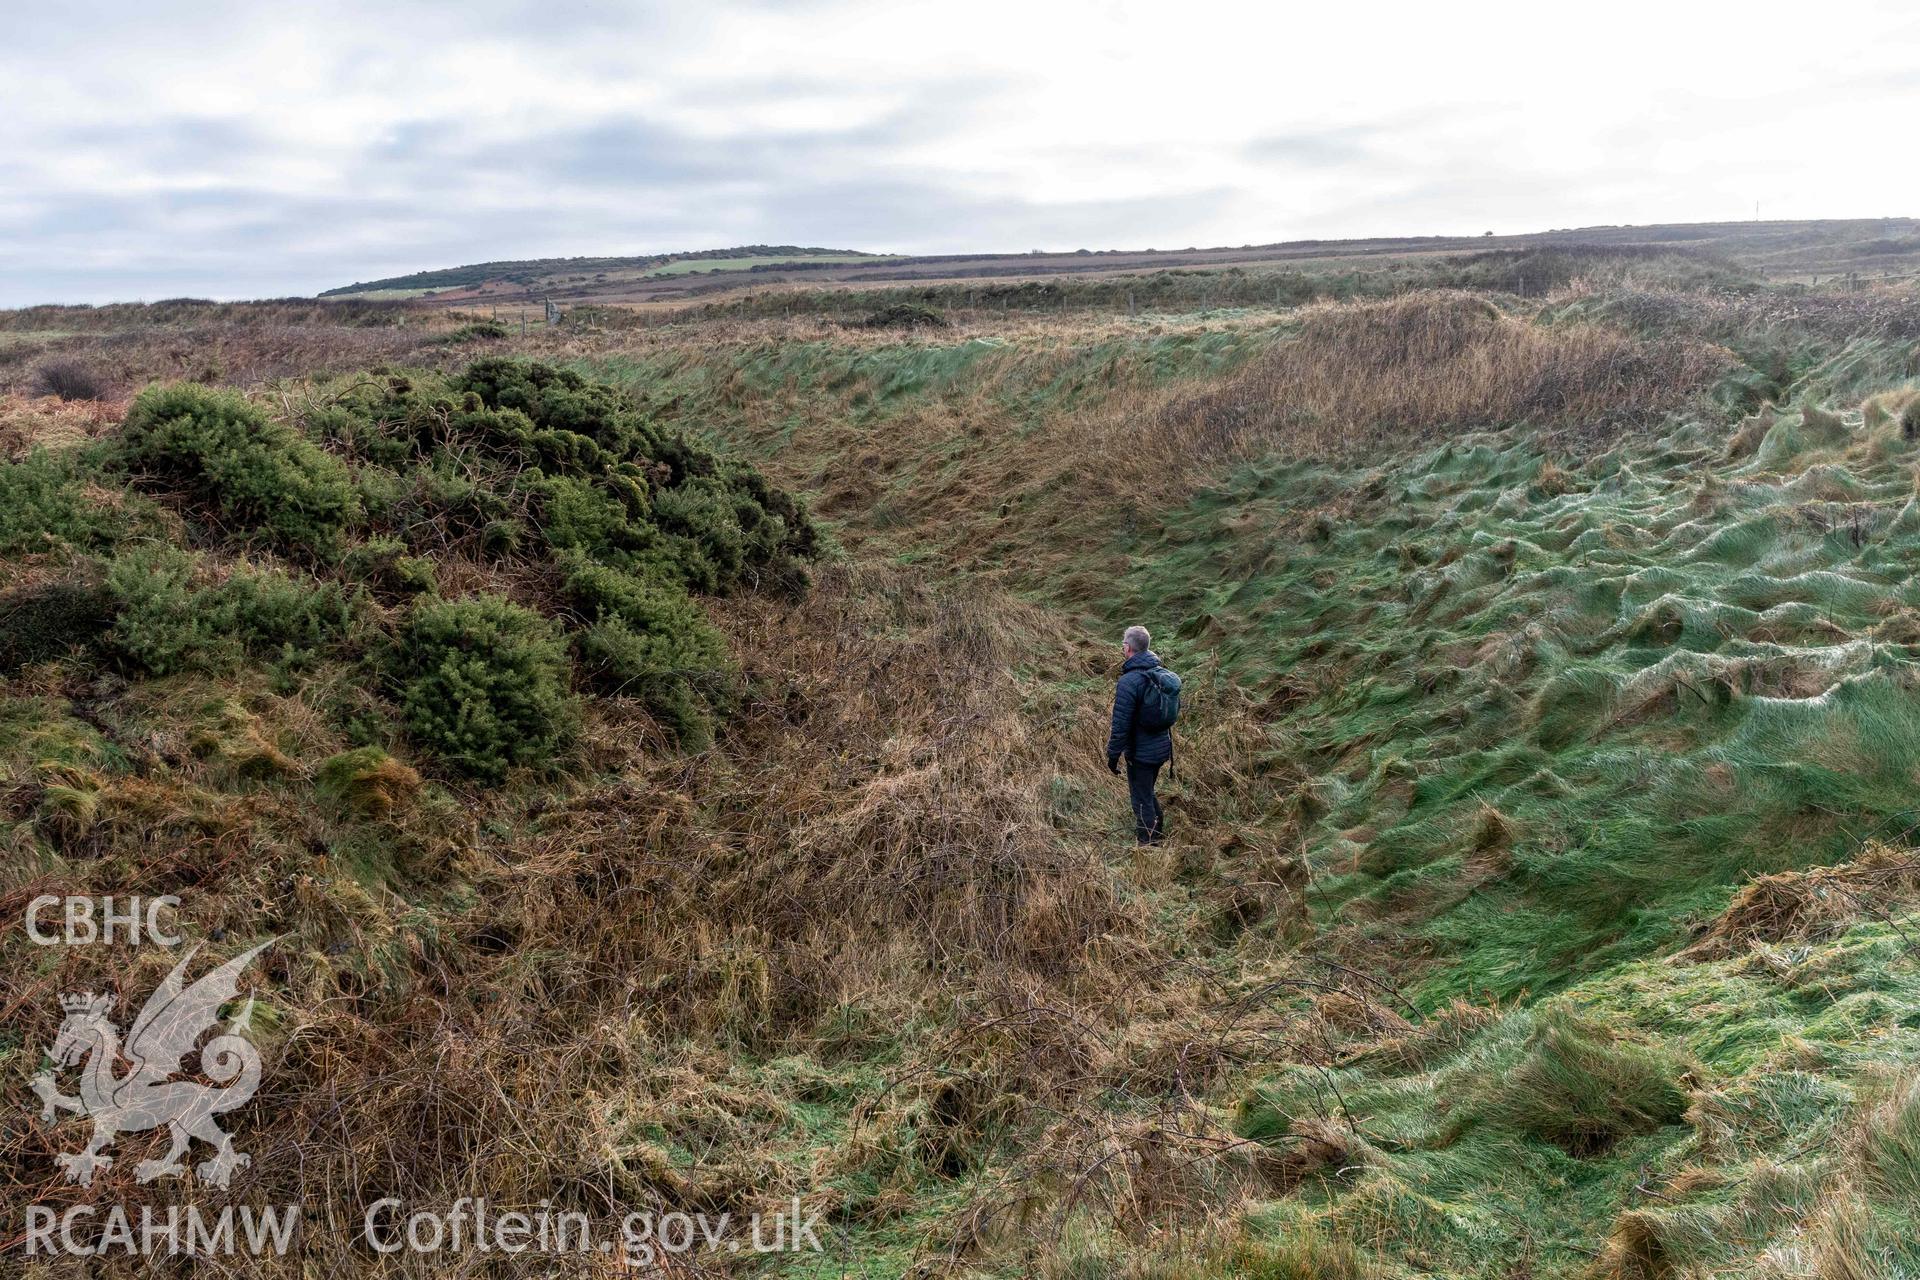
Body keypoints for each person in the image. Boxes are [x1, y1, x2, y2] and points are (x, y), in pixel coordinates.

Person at [1107, 624, 1172, 845]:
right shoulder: (1160, 674)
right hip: (1162, 748)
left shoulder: (1129, 681)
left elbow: (1120, 724)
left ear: (1128, 648)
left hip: (1141, 754)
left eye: (1123, 644)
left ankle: (1148, 845)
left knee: (1141, 799)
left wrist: (1113, 755)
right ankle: (1158, 833)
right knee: (1147, 791)